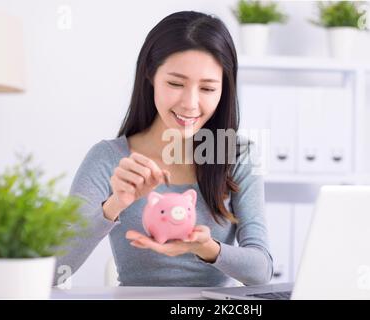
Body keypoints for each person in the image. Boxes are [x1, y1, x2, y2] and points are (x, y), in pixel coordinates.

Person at [54, 10, 273, 287]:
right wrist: (114, 205)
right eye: (175, 83)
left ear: (224, 90)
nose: (190, 103)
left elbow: (261, 270)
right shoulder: (108, 158)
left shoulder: (238, 156)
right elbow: (54, 270)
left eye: (207, 89)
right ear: (150, 75)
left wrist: (206, 248)